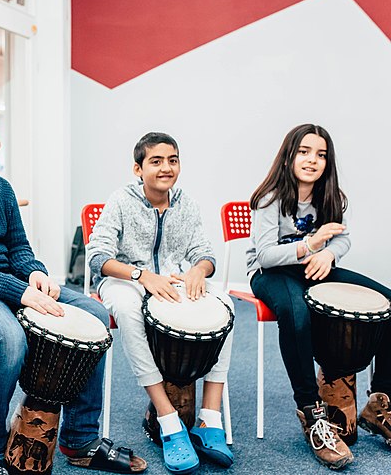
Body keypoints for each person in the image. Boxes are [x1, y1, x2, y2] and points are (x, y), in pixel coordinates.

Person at [0, 98, 146, 475]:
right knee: (6, 337)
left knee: (95, 315)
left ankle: (80, 437)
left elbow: (19, 248)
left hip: (5, 283)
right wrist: (20, 292)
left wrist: (35, 273)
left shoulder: (1, 189)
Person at [87, 132, 234, 474]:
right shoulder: (120, 200)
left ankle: (210, 419)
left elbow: (204, 252)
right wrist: (141, 276)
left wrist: (200, 269)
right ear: (138, 169)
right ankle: (168, 419)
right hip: (123, 280)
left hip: (173, 279)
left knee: (223, 305)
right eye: (156, 161)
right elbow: (98, 255)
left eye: (172, 160)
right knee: (126, 310)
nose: (166, 168)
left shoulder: (186, 202)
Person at [248, 123, 391, 469]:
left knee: (387, 303)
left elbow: (341, 238)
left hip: (314, 267)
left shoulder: (330, 197)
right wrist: (311, 244)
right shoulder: (270, 198)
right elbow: (265, 255)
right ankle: (313, 414)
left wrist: (329, 253)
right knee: (296, 313)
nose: (313, 160)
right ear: (289, 155)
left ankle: (379, 402)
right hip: (271, 273)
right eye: (305, 152)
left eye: (321, 154)